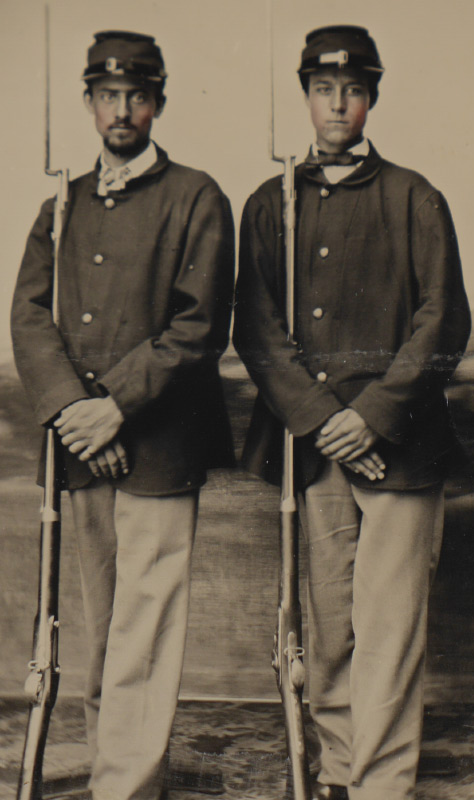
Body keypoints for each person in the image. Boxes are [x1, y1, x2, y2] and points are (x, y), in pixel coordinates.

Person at [233, 25, 471, 800]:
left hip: (397, 437)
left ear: (371, 97)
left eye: (353, 89)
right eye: (324, 89)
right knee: (329, 623)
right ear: (305, 97)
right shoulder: (271, 203)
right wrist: (320, 418)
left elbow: (442, 320)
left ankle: (381, 786)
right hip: (312, 442)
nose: (338, 103)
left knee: (390, 627)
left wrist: (368, 417)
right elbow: (257, 330)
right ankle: (336, 772)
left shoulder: (413, 196)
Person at [11, 30, 234, 800]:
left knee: (146, 627)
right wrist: (76, 411)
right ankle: (119, 767)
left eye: (137, 96)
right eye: (108, 96)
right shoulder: (62, 205)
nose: (122, 110)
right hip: (82, 444)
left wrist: (115, 409)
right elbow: (30, 317)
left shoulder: (197, 197)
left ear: (158, 103)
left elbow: (198, 325)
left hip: (160, 445)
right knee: (103, 623)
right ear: (88, 102)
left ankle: (127, 787)